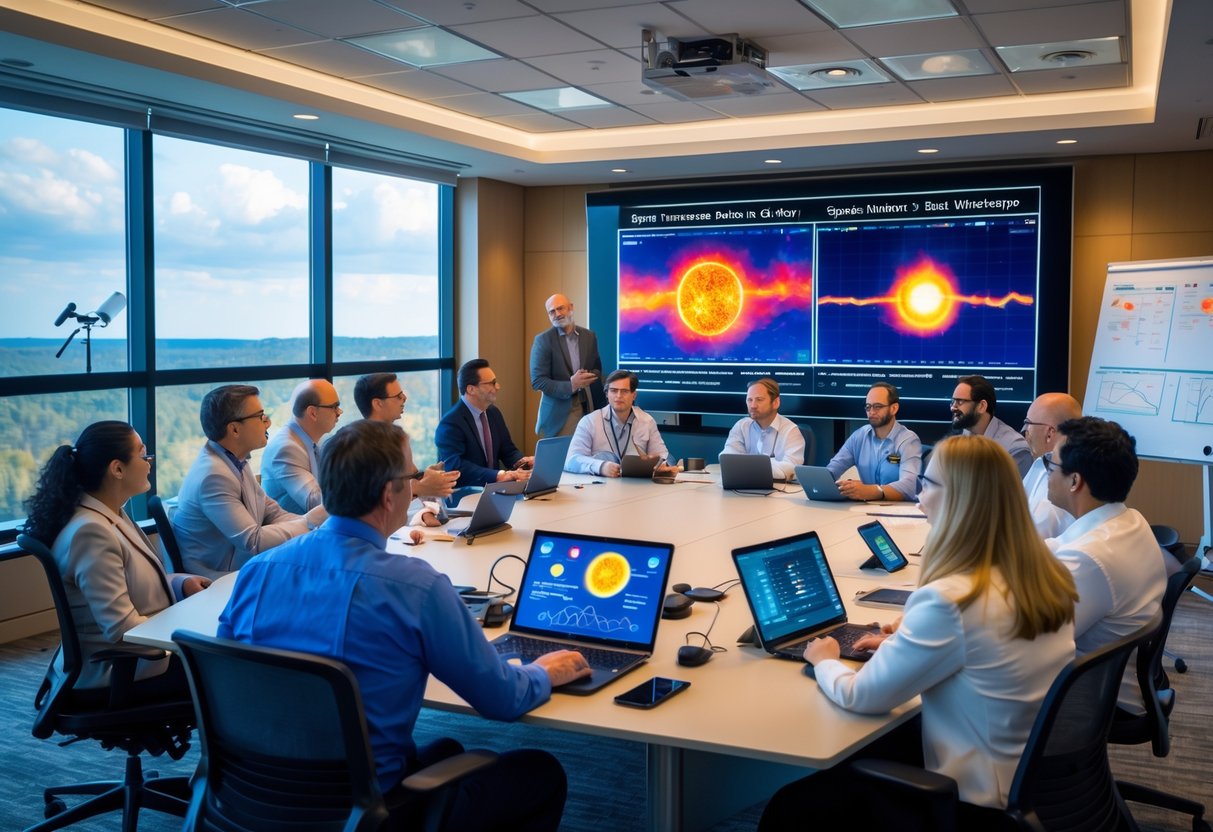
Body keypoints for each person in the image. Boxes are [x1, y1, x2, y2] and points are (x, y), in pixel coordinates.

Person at [217, 419, 590, 831]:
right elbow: (501, 700)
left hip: (254, 793)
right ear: (387, 494)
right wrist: (542, 672)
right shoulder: (416, 588)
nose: (414, 484)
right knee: (539, 771)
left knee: (445, 747)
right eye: (411, 477)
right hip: (364, 810)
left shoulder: (257, 572)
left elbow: (233, 678)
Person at [759, 435, 1077, 829]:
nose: (920, 496)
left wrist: (825, 661)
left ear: (959, 499)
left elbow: (861, 696)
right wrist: (904, 640)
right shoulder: (1045, 577)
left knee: (789, 808)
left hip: (971, 802)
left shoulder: (950, 600)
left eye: (928, 484)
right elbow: (982, 646)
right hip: (1026, 774)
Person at [23, 420, 211, 700]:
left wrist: (180, 583)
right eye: (142, 453)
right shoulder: (91, 531)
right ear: (118, 468)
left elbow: (133, 585)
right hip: (121, 669)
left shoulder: (109, 514)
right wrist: (189, 635)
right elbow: (121, 629)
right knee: (229, 667)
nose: (149, 462)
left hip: (139, 656)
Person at [173, 384, 325, 579]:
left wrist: (315, 527)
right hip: (217, 578)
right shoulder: (214, 476)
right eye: (260, 416)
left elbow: (272, 512)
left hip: (241, 564)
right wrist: (311, 521)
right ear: (234, 429)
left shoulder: (233, 459)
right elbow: (253, 541)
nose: (268, 422)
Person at [1044, 417, 1165, 659]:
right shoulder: (1131, 520)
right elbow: (1058, 546)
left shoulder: (1088, 559)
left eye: (1051, 463)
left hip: (1076, 691)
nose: (1046, 470)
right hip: (1102, 677)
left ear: (1075, 481)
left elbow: (1036, 641)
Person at [355, 372, 458, 526]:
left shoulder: (395, 438)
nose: (404, 398)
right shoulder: (362, 447)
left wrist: (424, 477)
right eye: (398, 396)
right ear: (377, 403)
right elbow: (375, 500)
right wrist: (420, 486)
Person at [435, 359, 533, 488]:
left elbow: (508, 451)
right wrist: (500, 475)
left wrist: (524, 463)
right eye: (491, 383)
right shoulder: (450, 423)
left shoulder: (493, 413)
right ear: (471, 389)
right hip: (466, 494)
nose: (498, 387)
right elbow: (455, 466)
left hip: (496, 491)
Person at [565, 369, 675, 477]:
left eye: (624, 391)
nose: (618, 396)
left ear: (634, 395)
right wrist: (601, 466)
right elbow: (571, 460)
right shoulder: (589, 421)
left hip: (636, 488)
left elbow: (662, 455)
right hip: (600, 488)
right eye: (613, 390)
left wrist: (663, 465)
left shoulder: (647, 421)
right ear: (607, 394)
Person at [824, 381, 921, 501]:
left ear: (894, 408)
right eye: (868, 407)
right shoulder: (859, 436)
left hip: (898, 510)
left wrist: (873, 491)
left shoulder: (908, 440)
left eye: (878, 406)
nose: (872, 412)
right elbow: (833, 469)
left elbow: (909, 486)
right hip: (867, 508)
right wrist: (824, 483)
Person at [260, 379, 341, 514]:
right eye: (334, 407)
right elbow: (315, 502)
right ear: (312, 413)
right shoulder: (286, 448)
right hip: (292, 532)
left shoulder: (320, 439)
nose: (339, 412)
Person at [530, 293, 606, 438]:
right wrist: (572, 385)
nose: (557, 314)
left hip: (589, 408)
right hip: (558, 416)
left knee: (585, 457)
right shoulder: (543, 340)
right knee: (561, 458)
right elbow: (537, 381)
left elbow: (597, 368)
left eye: (560, 308)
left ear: (571, 308)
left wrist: (587, 377)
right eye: (552, 311)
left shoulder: (589, 336)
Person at [1020, 392, 1082, 538]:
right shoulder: (1041, 464)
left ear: (1049, 434)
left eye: (1028, 424)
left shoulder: (1054, 496)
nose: (1025, 433)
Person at [721, 378, 804, 480]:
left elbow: (791, 469)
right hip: (743, 488)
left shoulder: (791, 431)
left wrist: (747, 467)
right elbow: (727, 460)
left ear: (776, 402)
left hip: (778, 491)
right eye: (749, 400)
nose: (753, 406)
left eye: (759, 399)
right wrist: (768, 466)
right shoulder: (742, 426)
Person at [949, 374, 1032, 477]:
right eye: (953, 402)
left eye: (960, 401)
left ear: (982, 406)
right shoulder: (957, 441)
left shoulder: (1014, 449)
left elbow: (1011, 493)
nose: (953, 408)